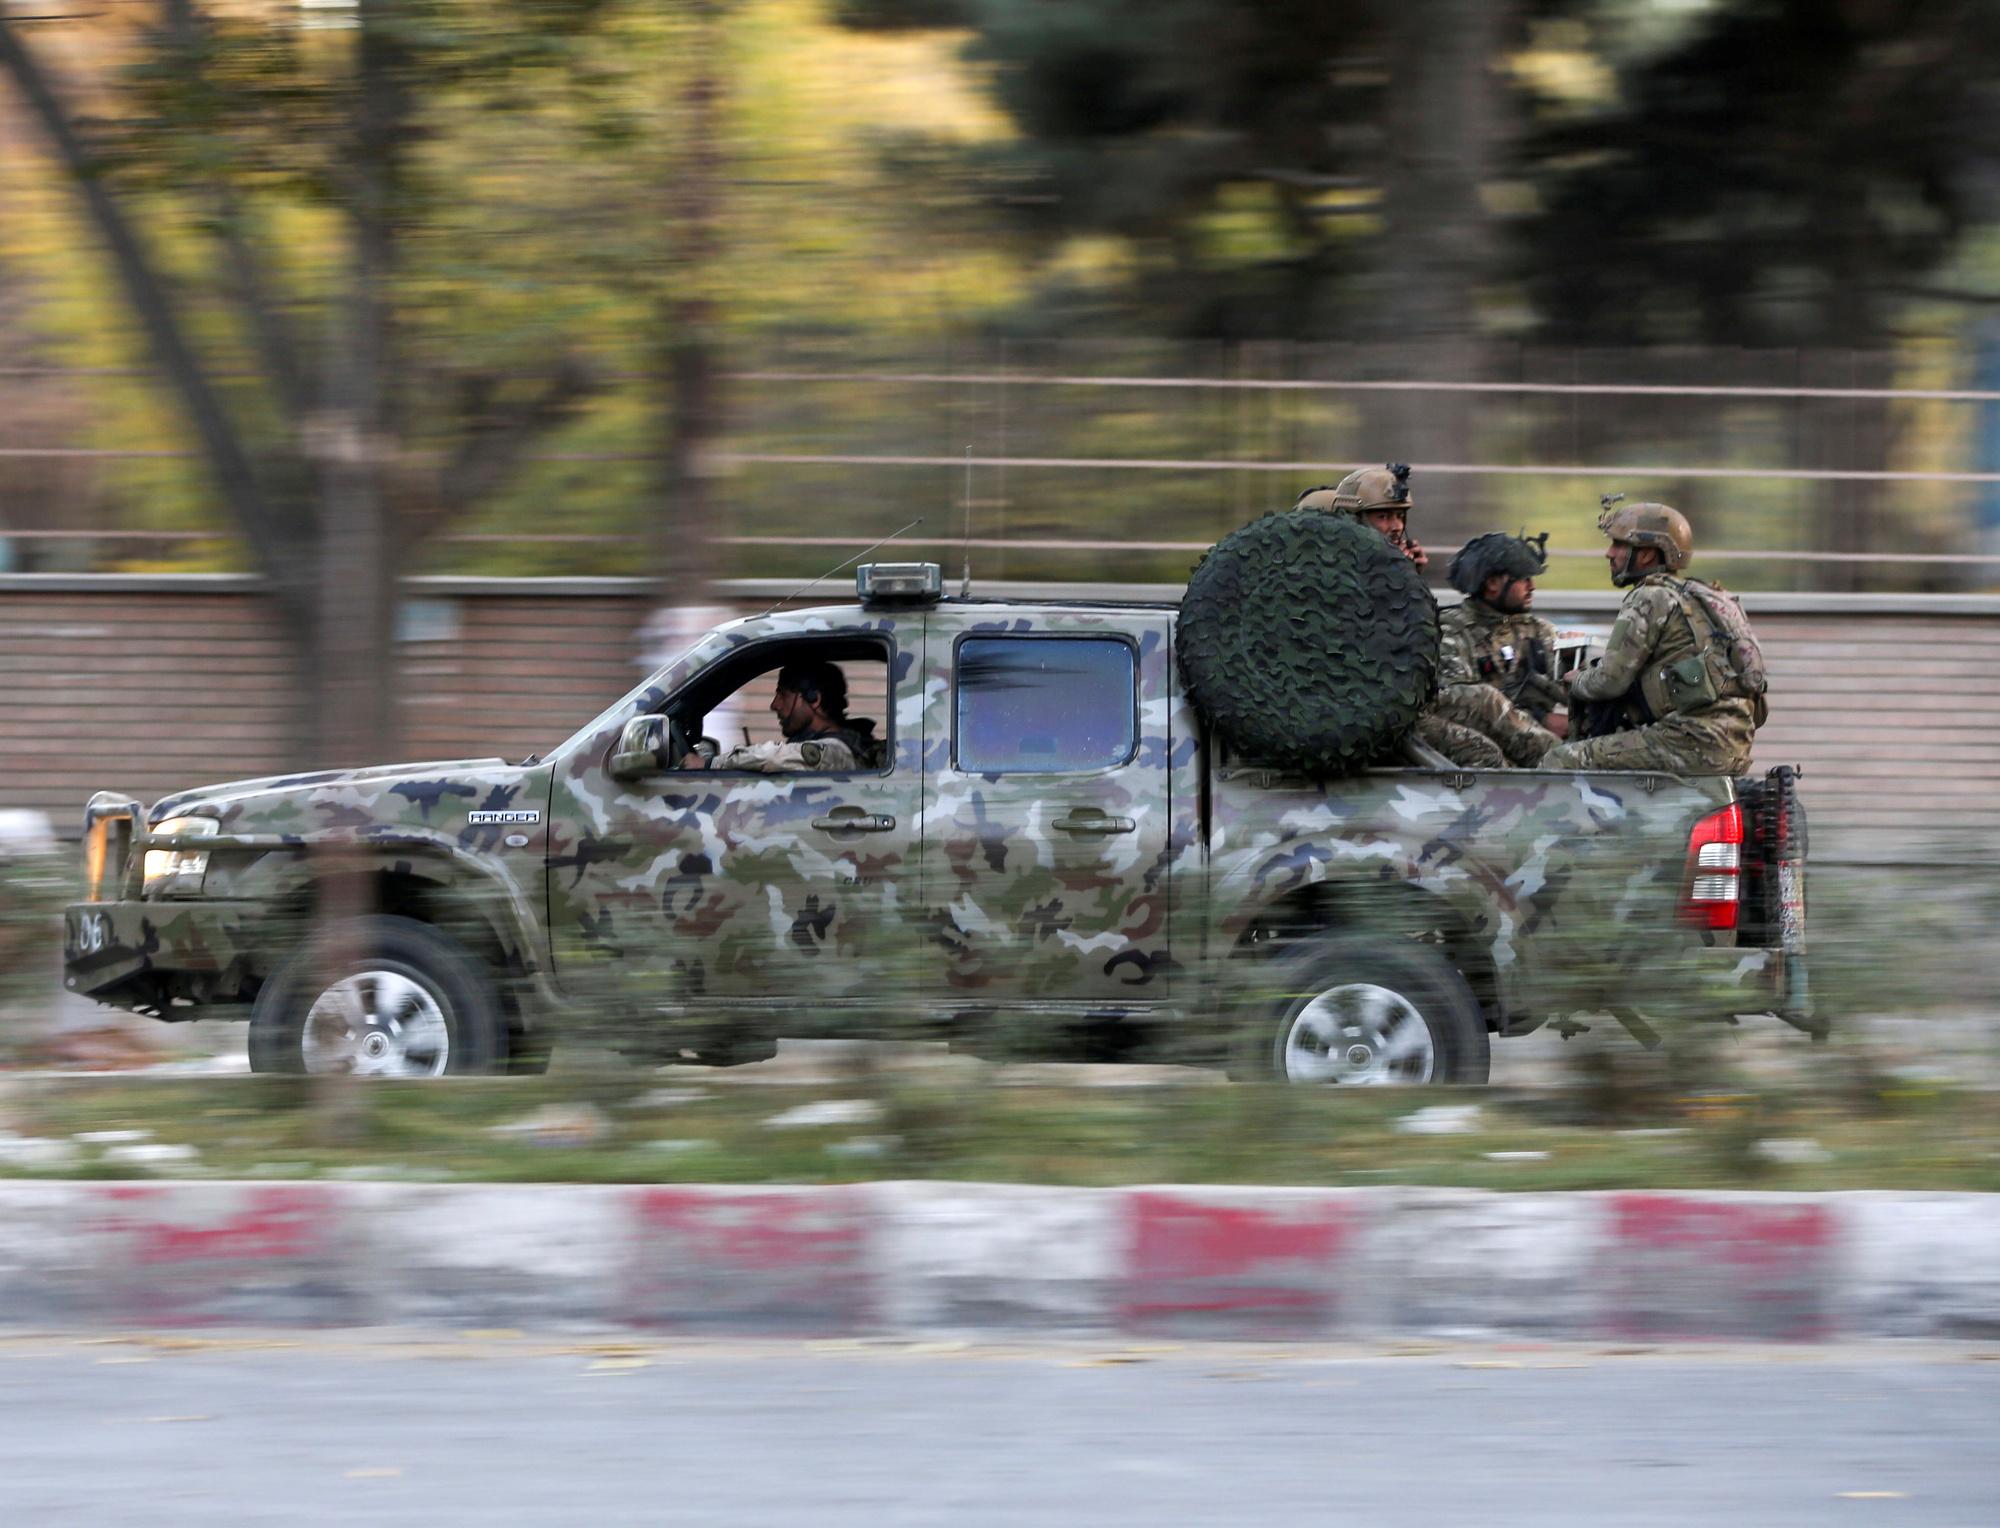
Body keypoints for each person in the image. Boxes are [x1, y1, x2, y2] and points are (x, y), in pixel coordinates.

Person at [1301, 467, 1547, 768]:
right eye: (1383, 517)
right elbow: (1375, 648)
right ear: (1355, 520)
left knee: (1484, 699)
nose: (1395, 527)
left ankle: (1563, 766)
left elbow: (1420, 647)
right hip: (1365, 712)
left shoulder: (1375, 572)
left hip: (1400, 702)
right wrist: (1399, 584)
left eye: (1399, 516)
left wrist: (1408, 580)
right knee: (1483, 753)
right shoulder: (1336, 577)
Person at [1539, 497, 1768, 776]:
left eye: (1619, 544)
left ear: (1647, 554)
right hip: (1732, 744)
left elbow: (1609, 680)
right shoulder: (1710, 597)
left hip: (1687, 742)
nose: (1609, 553)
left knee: (1559, 760)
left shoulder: (1648, 597)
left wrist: (1576, 680)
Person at [1443, 531, 1570, 738]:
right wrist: (1541, 720)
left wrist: (1574, 663)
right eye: (1523, 579)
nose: (1532, 587)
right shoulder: (1453, 633)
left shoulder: (1540, 631)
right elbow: (1465, 709)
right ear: (1492, 584)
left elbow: (1568, 692)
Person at [681, 658, 884, 773]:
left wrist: (708, 764)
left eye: (783, 695)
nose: (774, 705)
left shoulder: (838, 751)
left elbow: (774, 756)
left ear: (814, 699)